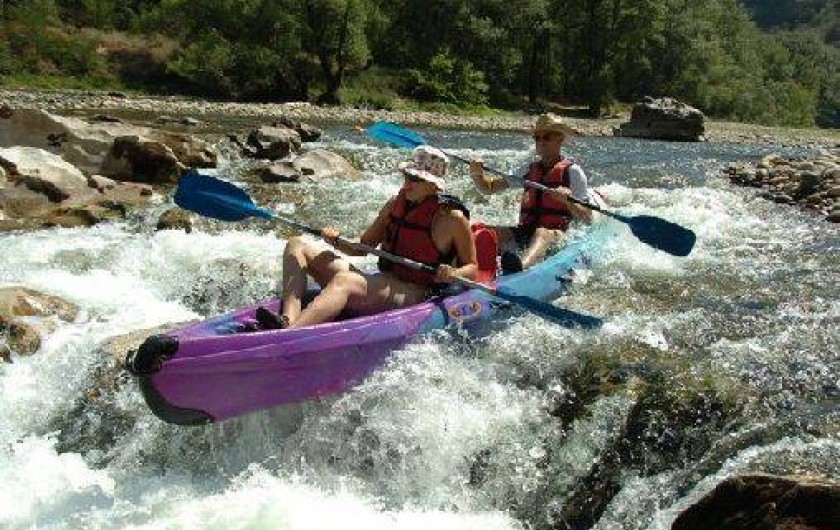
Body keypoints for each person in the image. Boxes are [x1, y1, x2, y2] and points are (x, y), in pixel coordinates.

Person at [256, 145, 478, 330]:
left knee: (345, 280)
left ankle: (289, 337)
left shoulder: (452, 219)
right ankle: (288, 319)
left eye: (415, 179)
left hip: (414, 293)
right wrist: (336, 240)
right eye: (407, 176)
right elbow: (362, 248)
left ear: (433, 185)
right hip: (381, 284)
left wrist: (454, 273)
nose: (407, 183)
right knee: (297, 245)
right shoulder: (394, 205)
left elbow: (472, 268)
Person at [469, 113, 595, 273]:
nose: (541, 142)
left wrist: (568, 201)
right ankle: (466, 266)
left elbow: (588, 216)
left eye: (547, 137)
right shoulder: (527, 169)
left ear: (560, 140)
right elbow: (488, 188)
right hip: (525, 231)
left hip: (558, 237)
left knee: (542, 233)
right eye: (537, 138)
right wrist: (477, 175)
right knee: (487, 231)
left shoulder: (573, 172)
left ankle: (520, 268)